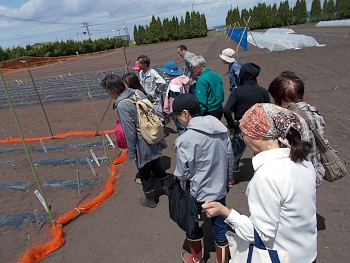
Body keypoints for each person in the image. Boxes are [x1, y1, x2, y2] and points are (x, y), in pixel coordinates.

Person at [202, 103, 317, 263]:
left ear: (259, 135)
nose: (243, 136)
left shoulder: (267, 176)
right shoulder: (303, 160)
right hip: (307, 253)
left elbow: (259, 233)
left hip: (281, 257)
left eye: (244, 132)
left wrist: (225, 212)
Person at [166, 93, 234, 263]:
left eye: (176, 117)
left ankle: (197, 258)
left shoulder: (184, 140)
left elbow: (182, 173)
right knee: (220, 227)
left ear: (185, 113)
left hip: (196, 192)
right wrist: (226, 183)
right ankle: (223, 261)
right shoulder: (221, 131)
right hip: (219, 189)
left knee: (192, 224)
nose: (176, 121)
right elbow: (229, 159)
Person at [101, 73, 168, 208]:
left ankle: (150, 199)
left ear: (113, 90)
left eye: (107, 91)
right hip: (151, 134)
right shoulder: (138, 93)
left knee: (144, 170)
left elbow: (130, 132)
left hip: (141, 140)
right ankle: (167, 187)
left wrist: (131, 152)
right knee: (156, 162)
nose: (108, 94)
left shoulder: (122, 105)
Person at [268, 71, 329, 188]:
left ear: (282, 98)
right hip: (315, 173)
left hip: (296, 179)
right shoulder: (312, 110)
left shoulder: (286, 118)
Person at [223, 62, 270, 179]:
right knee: (260, 152)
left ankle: (232, 177)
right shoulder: (263, 91)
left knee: (236, 152)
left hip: (242, 126)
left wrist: (233, 124)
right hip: (259, 126)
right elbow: (269, 110)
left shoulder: (238, 92)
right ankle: (260, 176)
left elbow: (227, 110)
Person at [159, 61, 189, 135]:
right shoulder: (181, 79)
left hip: (178, 109)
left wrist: (172, 112)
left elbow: (173, 99)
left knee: (181, 128)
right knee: (185, 127)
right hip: (184, 106)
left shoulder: (174, 82)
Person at [191, 55, 225, 120]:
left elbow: (201, 101)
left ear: (198, 67)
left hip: (210, 112)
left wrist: (200, 114)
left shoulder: (201, 80)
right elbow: (222, 94)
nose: (193, 71)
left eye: (193, 68)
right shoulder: (216, 75)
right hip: (219, 108)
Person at [137, 55, 166, 122]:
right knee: (149, 116)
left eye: (139, 63)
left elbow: (162, 82)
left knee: (158, 116)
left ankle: (162, 129)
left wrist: (159, 90)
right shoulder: (141, 73)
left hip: (154, 100)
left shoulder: (152, 73)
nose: (138, 65)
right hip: (146, 99)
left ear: (145, 64)